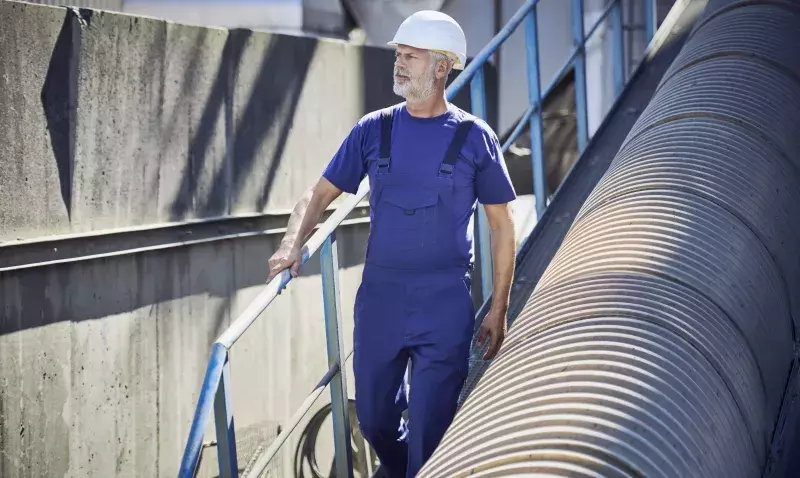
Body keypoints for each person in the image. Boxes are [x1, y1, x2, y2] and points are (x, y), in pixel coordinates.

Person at [267, 10, 517, 477]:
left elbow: (502, 225)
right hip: (381, 300)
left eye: (411, 57)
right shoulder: (373, 129)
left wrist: (499, 306)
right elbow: (317, 195)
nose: (399, 64)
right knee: (377, 420)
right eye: (398, 55)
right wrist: (290, 244)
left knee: (430, 426)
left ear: (442, 67)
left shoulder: (474, 137)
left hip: (443, 302)